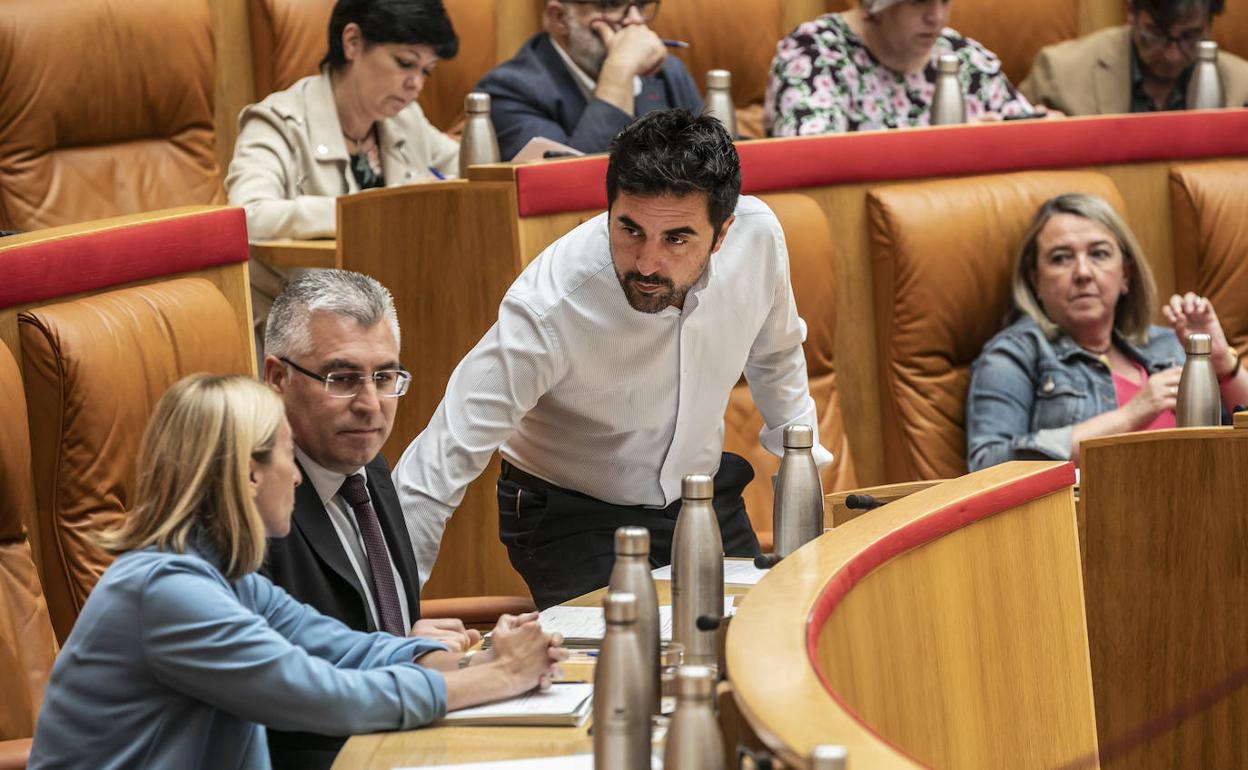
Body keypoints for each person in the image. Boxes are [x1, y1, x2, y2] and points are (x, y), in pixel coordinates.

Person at [394, 108, 832, 609]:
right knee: (634, 659)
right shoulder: (551, 303)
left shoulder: (758, 239)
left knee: (763, 634)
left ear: (723, 232)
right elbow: (439, 462)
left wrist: (805, 492)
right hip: (571, 513)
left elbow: (777, 357)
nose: (646, 263)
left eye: (676, 239)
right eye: (629, 230)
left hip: (701, 491)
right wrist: (381, 626)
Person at [27, 374, 565, 770]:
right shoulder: (166, 596)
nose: (301, 481)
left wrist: (482, 655)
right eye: (288, 456)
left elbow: (351, 649)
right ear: (249, 475)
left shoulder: (229, 580)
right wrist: (499, 679)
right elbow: (330, 697)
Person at [260, 270, 505, 769]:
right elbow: (289, 691)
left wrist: (413, 646)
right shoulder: (252, 505)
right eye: (342, 379)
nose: (371, 405)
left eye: (385, 377)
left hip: (408, 732)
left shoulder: (365, 462)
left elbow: (369, 636)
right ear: (278, 378)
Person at [966, 193, 1248, 471]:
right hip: (1091, 515)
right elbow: (987, 466)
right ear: (1035, 280)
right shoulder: (1014, 354)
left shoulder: (1168, 344)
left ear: (1125, 274)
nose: (1083, 272)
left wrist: (1224, 366)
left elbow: (1235, 446)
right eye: (1061, 258)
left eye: (1099, 254)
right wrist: (1129, 415)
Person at [226, 0, 460, 242]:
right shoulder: (277, 122)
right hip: (304, 280)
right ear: (352, 42)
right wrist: (377, 209)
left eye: (426, 71)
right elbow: (247, 218)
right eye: (405, 63)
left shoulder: (405, 118)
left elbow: (470, 168)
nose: (417, 84)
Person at [475, 0, 703, 161]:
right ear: (559, 17)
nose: (636, 21)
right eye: (611, 4)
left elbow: (720, 172)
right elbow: (571, 190)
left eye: (641, 4)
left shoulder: (668, 72)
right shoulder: (508, 90)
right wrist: (619, 70)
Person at [765, 0, 1033, 136]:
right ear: (872, 7)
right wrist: (954, 149)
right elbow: (814, 160)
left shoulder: (962, 54)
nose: (936, 17)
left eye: (944, 1)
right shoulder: (814, 52)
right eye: (918, 1)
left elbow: (1030, 132)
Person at [1021, 0, 1248, 115]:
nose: (1172, 55)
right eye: (1157, 34)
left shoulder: (1242, 88)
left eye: (1189, 36)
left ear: (1209, 23)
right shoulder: (1058, 75)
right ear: (1131, 12)